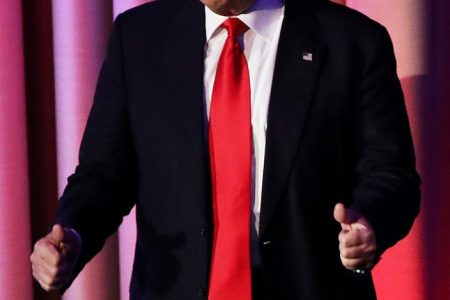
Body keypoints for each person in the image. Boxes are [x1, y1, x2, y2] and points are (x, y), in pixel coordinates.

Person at [30, 0, 421, 299]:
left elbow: (391, 173)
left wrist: (370, 223)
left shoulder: (352, 42)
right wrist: (73, 235)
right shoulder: (140, 38)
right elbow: (104, 175)